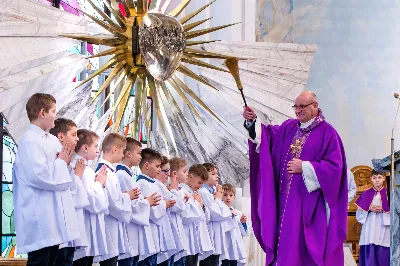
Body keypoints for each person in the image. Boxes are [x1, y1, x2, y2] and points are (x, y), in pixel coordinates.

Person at [243, 91, 348, 265]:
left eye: (302, 106)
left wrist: (307, 167)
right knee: (284, 249)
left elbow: (336, 168)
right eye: (296, 107)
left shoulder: (328, 133)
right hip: (282, 202)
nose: (298, 110)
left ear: (315, 105)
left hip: (308, 205)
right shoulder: (288, 127)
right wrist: (252, 121)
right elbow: (266, 136)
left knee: (304, 251)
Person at [13, 93, 79, 266]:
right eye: (54, 111)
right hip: (40, 216)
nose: (55, 116)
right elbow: (39, 176)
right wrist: (61, 162)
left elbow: (64, 171)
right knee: (40, 261)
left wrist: (66, 164)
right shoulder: (29, 141)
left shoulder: (51, 140)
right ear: (43, 113)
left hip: (55, 215)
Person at [49, 118, 89, 266]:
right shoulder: (54, 157)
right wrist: (77, 177)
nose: (77, 138)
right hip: (57, 225)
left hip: (69, 225)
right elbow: (66, 192)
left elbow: (78, 197)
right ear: (61, 136)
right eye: (73, 134)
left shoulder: (71, 161)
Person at [94, 133, 138, 266]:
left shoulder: (109, 171)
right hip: (109, 227)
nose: (123, 154)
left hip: (112, 227)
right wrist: (127, 196)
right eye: (123, 151)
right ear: (114, 149)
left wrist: (123, 196)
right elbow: (112, 204)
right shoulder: (105, 171)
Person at [115, 137, 160, 266]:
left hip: (133, 231)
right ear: (128, 153)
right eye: (139, 153)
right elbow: (129, 204)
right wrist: (147, 202)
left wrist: (144, 201)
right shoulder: (122, 175)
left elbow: (133, 199)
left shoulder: (128, 175)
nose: (141, 156)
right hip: (128, 230)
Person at [72, 129, 108, 266]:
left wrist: (100, 185)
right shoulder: (81, 169)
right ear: (85, 147)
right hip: (83, 228)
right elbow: (93, 202)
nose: (98, 151)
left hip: (88, 229)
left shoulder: (88, 170)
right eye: (96, 146)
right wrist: (99, 184)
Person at [136, 148, 177, 266]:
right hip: (148, 233)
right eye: (158, 166)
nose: (159, 170)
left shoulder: (152, 183)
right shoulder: (143, 183)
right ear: (147, 166)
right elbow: (153, 211)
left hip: (155, 234)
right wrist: (165, 204)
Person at [198, 163, 235, 266]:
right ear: (204, 175)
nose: (217, 176)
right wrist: (218, 199)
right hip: (210, 235)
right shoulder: (203, 192)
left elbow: (225, 211)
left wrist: (218, 200)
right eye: (213, 174)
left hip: (217, 236)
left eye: (217, 174)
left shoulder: (214, 191)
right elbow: (217, 215)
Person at [179, 164, 214, 266]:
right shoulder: (182, 191)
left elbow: (205, 218)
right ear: (190, 177)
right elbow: (185, 215)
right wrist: (197, 204)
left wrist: (202, 206)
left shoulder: (196, 194)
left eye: (202, 184)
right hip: (186, 239)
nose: (200, 186)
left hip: (195, 240)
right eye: (199, 183)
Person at [154, 156, 185, 266]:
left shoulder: (164, 186)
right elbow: (178, 205)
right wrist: (173, 191)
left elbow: (179, 205)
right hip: (160, 239)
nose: (168, 174)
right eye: (165, 171)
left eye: (169, 171)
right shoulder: (158, 186)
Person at [355, 170, 390, 266]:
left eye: (379, 177)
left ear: (383, 178)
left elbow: (394, 212)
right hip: (370, 226)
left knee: (384, 249)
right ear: (371, 179)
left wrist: (383, 209)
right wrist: (369, 209)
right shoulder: (366, 194)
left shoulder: (389, 194)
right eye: (374, 178)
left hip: (384, 226)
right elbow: (359, 215)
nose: (377, 180)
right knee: (370, 250)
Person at [221, 184, 248, 266]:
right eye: (225, 195)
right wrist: (230, 214)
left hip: (234, 246)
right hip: (224, 245)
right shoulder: (219, 211)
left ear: (234, 197)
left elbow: (244, 233)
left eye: (231, 195)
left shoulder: (238, 213)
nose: (228, 197)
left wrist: (243, 222)